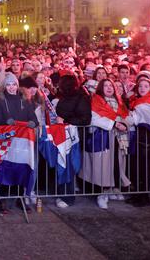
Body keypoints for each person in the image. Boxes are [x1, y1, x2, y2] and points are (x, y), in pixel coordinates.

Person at [82, 79, 131, 209]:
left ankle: (112, 188)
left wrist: (124, 124)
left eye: (111, 85)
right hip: (103, 137)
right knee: (103, 165)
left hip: (118, 136)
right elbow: (93, 117)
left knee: (116, 163)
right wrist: (114, 124)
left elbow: (127, 116)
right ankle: (101, 194)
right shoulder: (95, 100)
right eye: (105, 86)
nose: (109, 88)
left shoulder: (119, 101)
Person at [0, 72, 39, 213]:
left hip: (22, 143)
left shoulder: (25, 100)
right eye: (8, 84)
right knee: (5, 169)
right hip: (7, 141)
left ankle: (20, 198)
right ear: (4, 86)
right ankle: (2, 199)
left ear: (17, 85)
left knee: (20, 169)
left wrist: (32, 123)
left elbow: (34, 120)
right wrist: (6, 122)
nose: (12, 87)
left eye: (14, 84)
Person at [50, 74, 91, 208]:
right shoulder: (66, 97)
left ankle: (68, 197)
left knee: (68, 167)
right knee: (63, 166)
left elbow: (85, 119)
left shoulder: (81, 98)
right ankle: (62, 193)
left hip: (73, 138)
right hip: (62, 136)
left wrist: (66, 121)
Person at [126, 76, 150, 207]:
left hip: (147, 139)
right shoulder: (138, 101)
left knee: (144, 168)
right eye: (140, 86)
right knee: (137, 167)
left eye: (146, 86)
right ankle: (138, 195)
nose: (142, 88)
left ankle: (144, 197)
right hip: (140, 138)